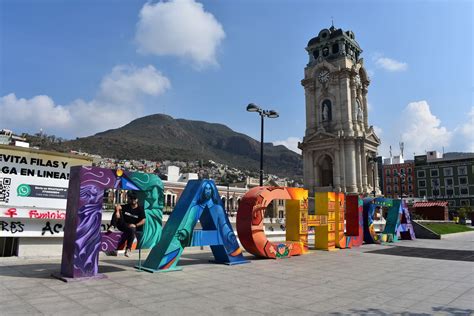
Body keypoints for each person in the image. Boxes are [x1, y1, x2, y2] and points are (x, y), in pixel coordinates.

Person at [111, 191, 146, 257]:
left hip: (131, 227)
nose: (133, 200)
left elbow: (143, 220)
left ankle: (128, 249)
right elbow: (117, 206)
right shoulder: (127, 206)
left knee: (132, 229)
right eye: (132, 198)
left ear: (137, 200)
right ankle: (112, 226)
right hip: (122, 224)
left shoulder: (140, 209)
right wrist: (118, 212)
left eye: (134, 199)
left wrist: (135, 225)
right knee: (117, 211)